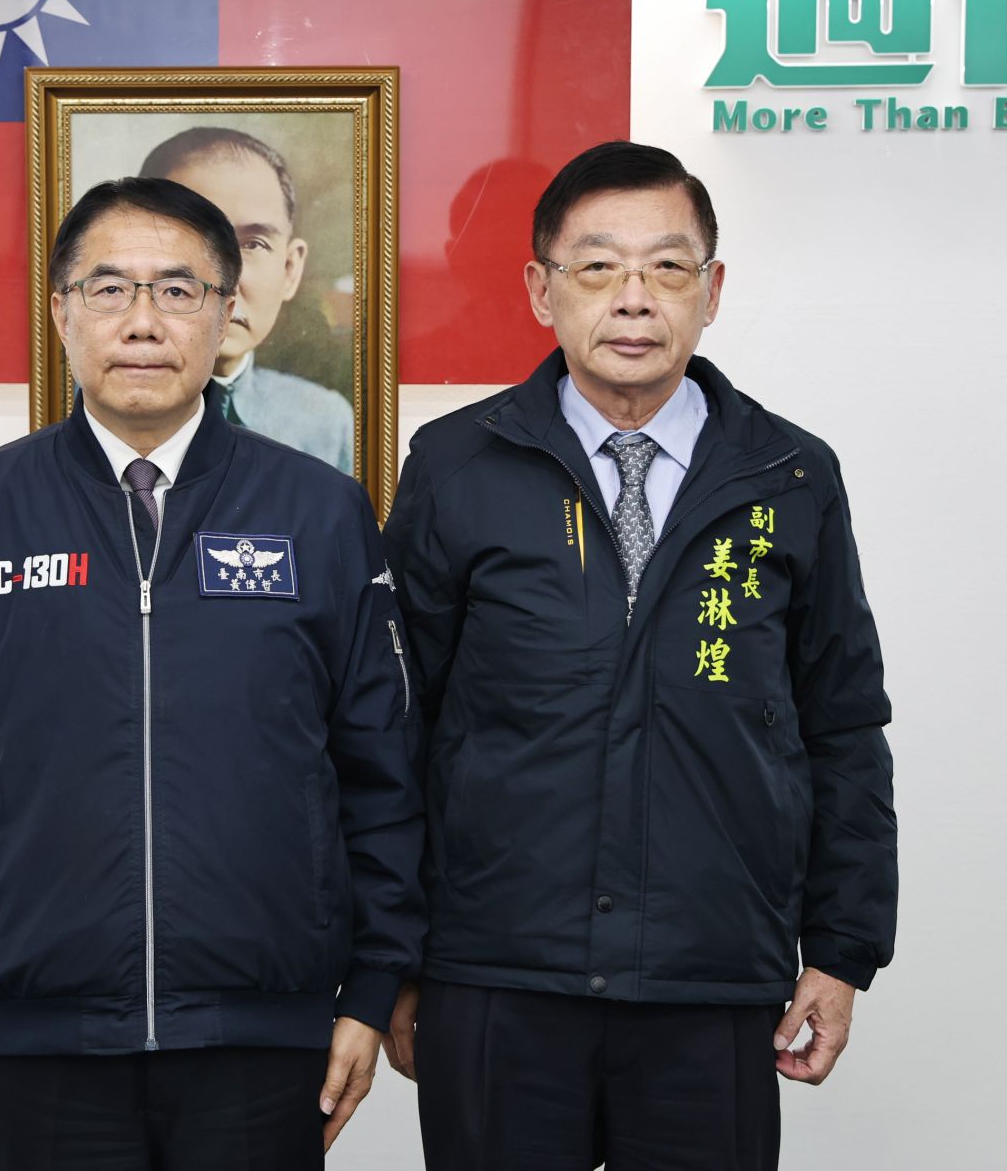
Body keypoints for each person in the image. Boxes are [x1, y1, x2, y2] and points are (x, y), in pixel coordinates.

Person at [0, 176, 424, 1168]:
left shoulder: (320, 511)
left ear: (225, 309)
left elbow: (385, 774)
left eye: (178, 290)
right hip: (41, 1042)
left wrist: (374, 989)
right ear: (61, 311)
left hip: (262, 1038)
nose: (143, 322)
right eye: (110, 288)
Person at [380, 141, 897, 1170]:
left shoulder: (789, 473)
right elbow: (396, 721)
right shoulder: (456, 464)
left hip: (710, 971)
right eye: (597, 267)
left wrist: (842, 950)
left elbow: (842, 724)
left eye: (667, 266)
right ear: (542, 291)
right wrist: (386, 955)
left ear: (713, 290)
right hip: (499, 969)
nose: (633, 298)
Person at [139, 126, 354, 472]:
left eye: (253, 244)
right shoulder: (81, 410)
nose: (226, 282)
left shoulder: (325, 426)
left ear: (290, 269)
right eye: (191, 238)